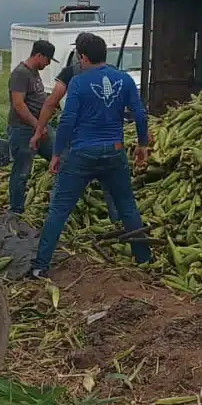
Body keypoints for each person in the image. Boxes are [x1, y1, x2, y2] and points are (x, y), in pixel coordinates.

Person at [31, 33, 151, 280]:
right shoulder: (124, 79)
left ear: (82, 57)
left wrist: (56, 154)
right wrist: (142, 144)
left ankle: (40, 265)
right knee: (127, 206)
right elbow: (140, 114)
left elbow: (67, 121)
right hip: (115, 151)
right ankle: (143, 257)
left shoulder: (79, 83)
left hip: (82, 154)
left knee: (59, 210)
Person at [27, 51, 123, 222]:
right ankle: (120, 222)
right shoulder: (115, 73)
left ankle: (57, 220)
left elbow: (51, 103)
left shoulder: (71, 72)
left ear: (81, 55)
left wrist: (39, 131)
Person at [6, 40, 58, 214]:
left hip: (40, 127)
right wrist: (37, 125)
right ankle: (16, 209)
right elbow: (19, 105)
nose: (48, 63)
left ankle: (57, 202)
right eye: (48, 59)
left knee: (61, 155)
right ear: (39, 55)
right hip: (23, 129)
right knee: (22, 170)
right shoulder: (21, 73)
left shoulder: (34, 73)